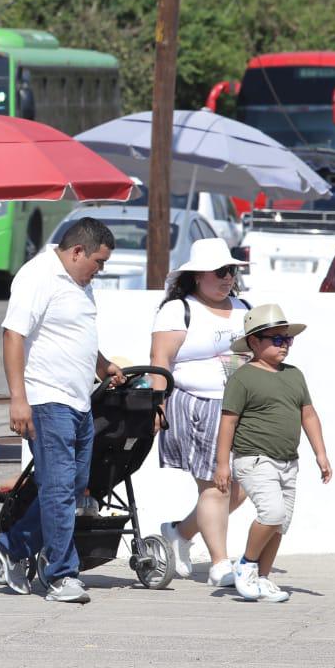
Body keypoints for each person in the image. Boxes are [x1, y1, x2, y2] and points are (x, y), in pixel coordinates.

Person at [0, 217, 124, 604]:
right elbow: (13, 335)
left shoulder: (80, 284)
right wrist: (18, 398)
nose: (100, 270)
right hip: (48, 400)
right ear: (77, 251)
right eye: (98, 261)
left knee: (73, 491)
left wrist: (102, 365)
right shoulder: (38, 276)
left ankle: (13, 545)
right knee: (61, 490)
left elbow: (75, 333)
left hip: (79, 399)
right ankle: (61, 575)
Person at [149, 237, 251, 588]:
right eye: (220, 272)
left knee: (243, 485)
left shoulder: (242, 306)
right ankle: (220, 563)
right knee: (216, 485)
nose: (227, 278)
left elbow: (247, 356)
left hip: (237, 409)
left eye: (231, 272)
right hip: (196, 406)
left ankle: (179, 533)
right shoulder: (178, 310)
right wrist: (157, 404)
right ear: (196, 276)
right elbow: (160, 360)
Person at [214, 303, 332, 602]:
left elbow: (308, 414)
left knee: (280, 523)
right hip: (254, 458)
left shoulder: (294, 375)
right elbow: (228, 421)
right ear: (254, 341)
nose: (285, 346)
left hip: (287, 462)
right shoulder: (243, 378)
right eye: (277, 339)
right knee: (272, 513)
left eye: (288, 339)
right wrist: (222, 464)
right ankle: (246, 565)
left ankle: (262, 578)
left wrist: (320, 453)